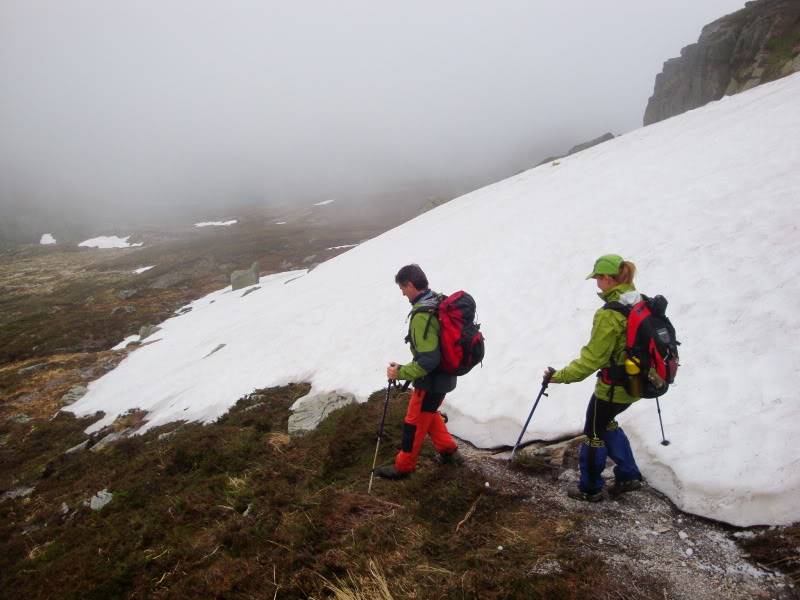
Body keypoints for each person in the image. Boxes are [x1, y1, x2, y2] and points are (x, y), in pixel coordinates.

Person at [546, 254, 644, 502]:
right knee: (606, 421)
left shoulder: (609, 314)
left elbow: (593, 358)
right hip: (637, 382)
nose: (596, 283)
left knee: (593, 432)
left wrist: (561, 376)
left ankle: (589, 489)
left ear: (608, 278)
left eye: (598, 278)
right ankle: (628, 475)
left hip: (613, 387)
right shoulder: (637, 301)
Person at [375, 264, 463, 479]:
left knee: (413, 423)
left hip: (431, 381)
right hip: (445, 377)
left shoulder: (422, 314)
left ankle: (403, 467)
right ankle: (448, 450)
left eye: (403, 288)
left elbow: (429, 360)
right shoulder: (438, 300)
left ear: (411, 285)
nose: (402, 293)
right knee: (429, 414)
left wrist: (401, 372)